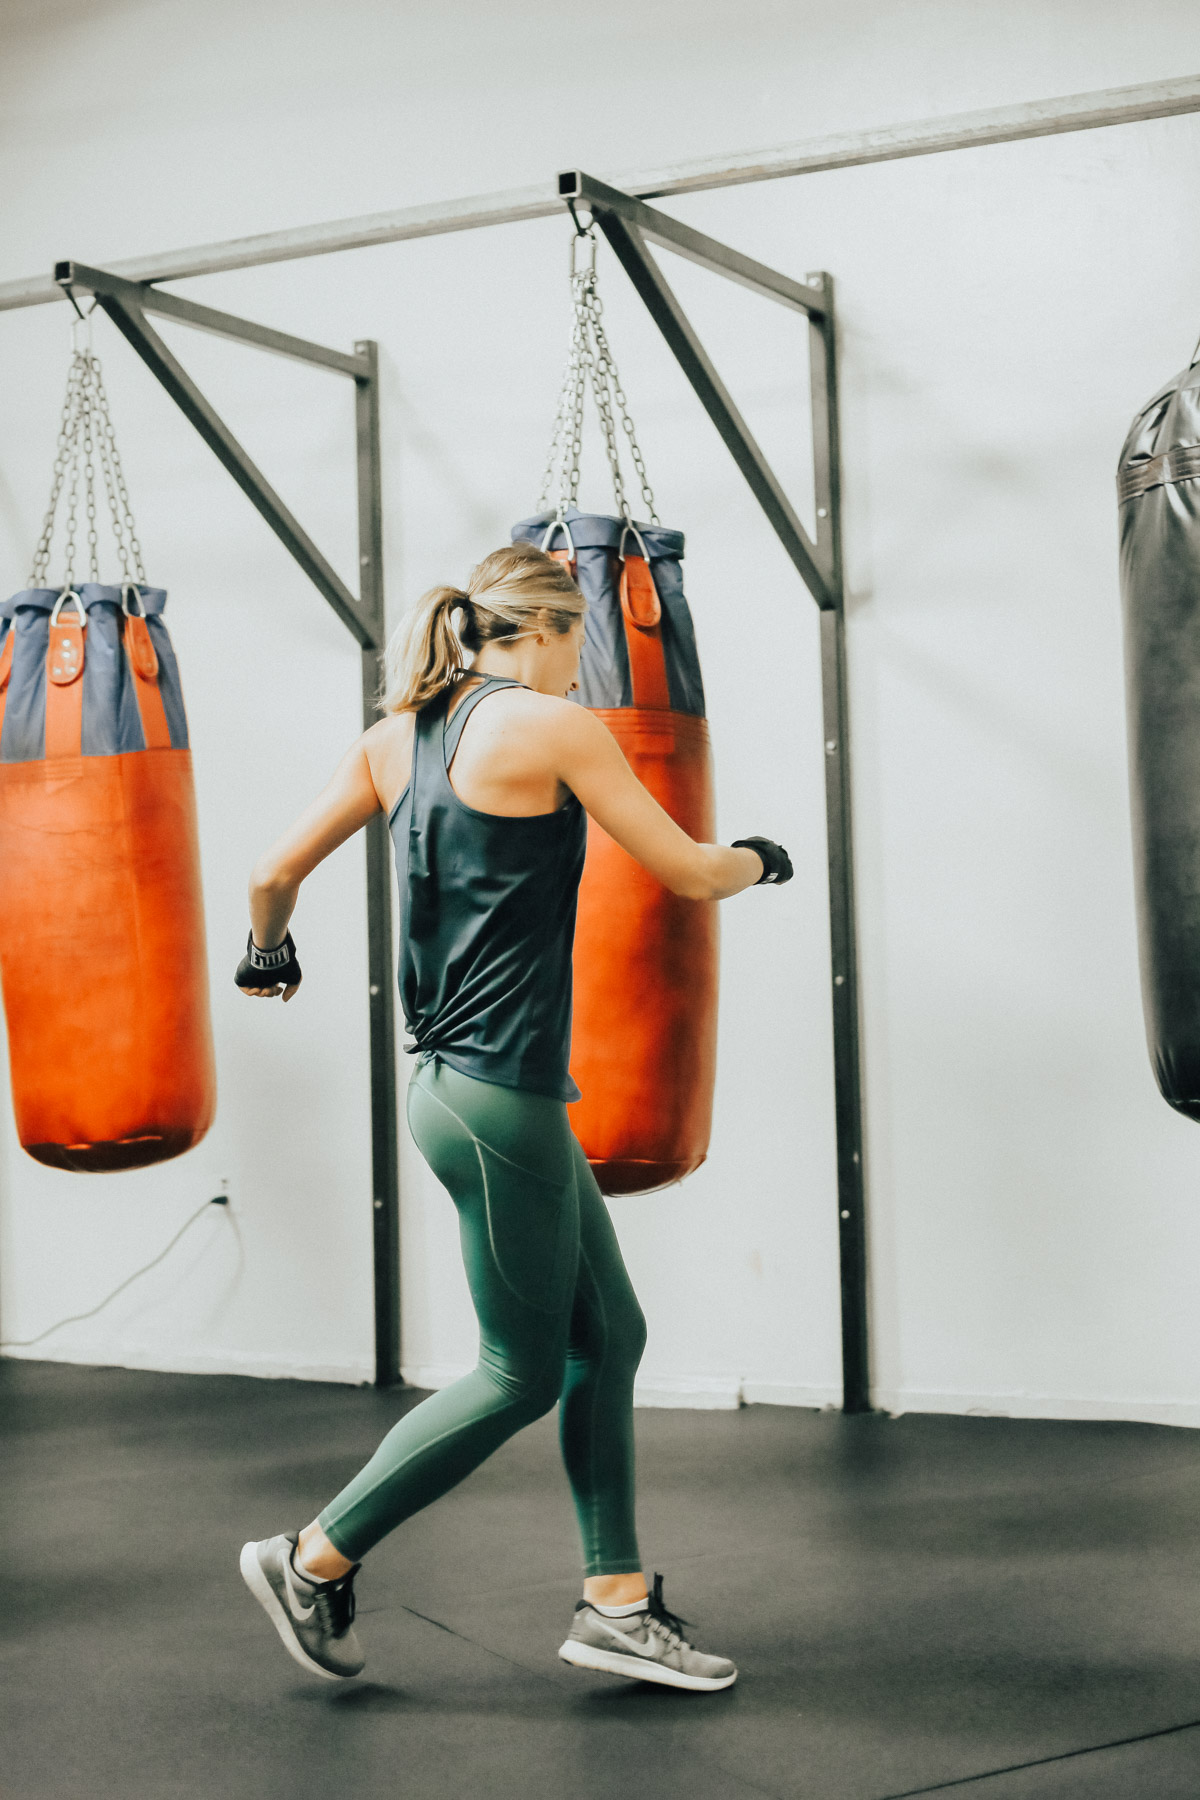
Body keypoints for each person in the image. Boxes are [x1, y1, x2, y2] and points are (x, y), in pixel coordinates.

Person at [235, 542, 793, 1693]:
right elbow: (688, 873)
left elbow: (268, 874)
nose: (582, 658)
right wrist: (759, 859)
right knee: (517, 1372)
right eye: (578, 635)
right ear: (546, 628)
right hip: (502, 1101)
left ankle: (616, 1599)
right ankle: (312, 1557)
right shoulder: (555, 728)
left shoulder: (398, 738)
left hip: (451, 1088)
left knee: (609, 1336)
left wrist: (266, 957)